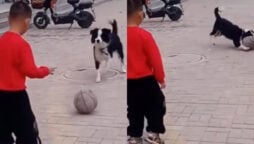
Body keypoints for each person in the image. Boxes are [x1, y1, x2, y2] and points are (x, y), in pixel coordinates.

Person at [0, 2, 55, 144]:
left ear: (9, 18)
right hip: (17, 99)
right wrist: (46, 70)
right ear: (27, 21)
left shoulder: (1, 41)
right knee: (28, 135)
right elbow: (31, 71)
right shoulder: (22, 45)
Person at [127, 0, 167, 144]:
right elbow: (155, 60)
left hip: (128, 83)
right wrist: (160, 78)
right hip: (145, 80)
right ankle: (152, 134)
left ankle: (134, 136)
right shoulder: (144, 35)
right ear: (139, 14)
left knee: (133, 110)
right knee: (156, 106)